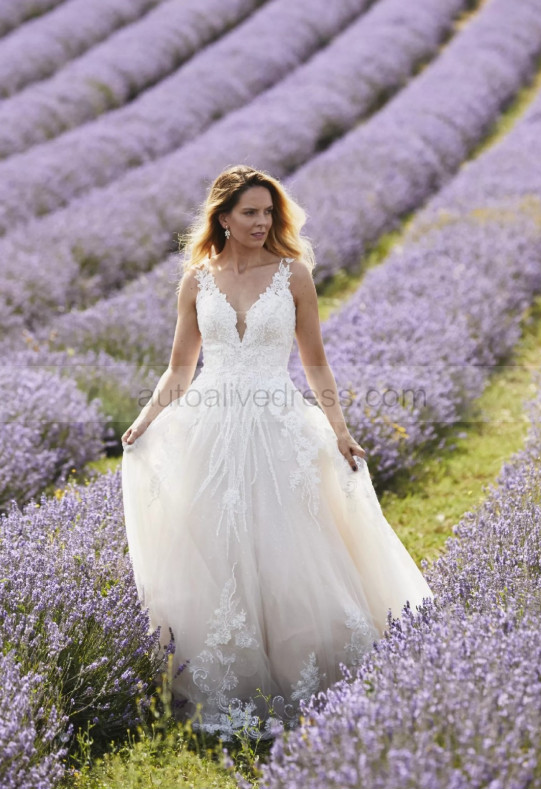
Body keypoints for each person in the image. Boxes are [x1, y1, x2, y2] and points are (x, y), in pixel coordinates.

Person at [121, 164, 434, 740]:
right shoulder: (197, 279)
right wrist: (143, 423)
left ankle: (308, 674)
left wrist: (339, 430)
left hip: (276, 423)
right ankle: (229, 677)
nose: (262, 222)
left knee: (288, 544)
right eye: (250, 213)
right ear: (223, 217)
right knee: (217, 548)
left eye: (269, 212)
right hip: (209, 427)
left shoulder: (293, 275)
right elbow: (179, 369)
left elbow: (315, 362)